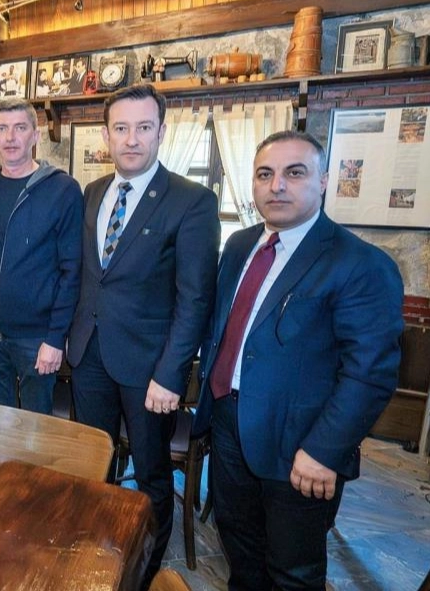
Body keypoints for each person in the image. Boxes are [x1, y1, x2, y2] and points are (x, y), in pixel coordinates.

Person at [193, 131, 403, 590]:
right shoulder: (239, 245)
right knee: (240, 551)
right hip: (228, 426)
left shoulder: (360, 263)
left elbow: (369, 374)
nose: (277, 186)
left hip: (300, 446)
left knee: (294, 571)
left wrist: (325, 451)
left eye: (294, 172)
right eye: (265, 174)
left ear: (323, 181)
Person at [66, 85, 220, 587]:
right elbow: (91, 277)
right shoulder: (93, 193)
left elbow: (195, 298)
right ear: (106, 135)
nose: (131, 139)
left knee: (152, 476)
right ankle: (96, 549)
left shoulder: (192, 200)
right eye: (121, 128)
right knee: (95, 460)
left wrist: (171, 375)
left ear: (161, 132)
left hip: (150, 369)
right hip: (89, 355)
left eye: (143, 127)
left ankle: (142, 569)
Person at [0, 98, 82, 415]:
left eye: (20, 128)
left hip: (37, 337)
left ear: (35, 135)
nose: (10, 137)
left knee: (37, 427)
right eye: (2, 129)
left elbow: (72, 271)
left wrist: (55, 338)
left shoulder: (63, 189)